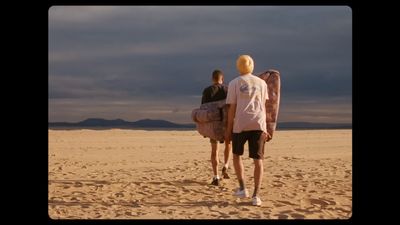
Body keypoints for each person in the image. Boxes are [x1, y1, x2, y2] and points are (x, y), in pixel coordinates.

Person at [225, 55, 271, 206]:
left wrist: (228, 129)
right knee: (258, 160)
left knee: (237, 156)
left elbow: (232, 108)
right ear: (252, 66)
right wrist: (267, 127)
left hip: (240, 124)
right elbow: (264, 107)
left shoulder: (234, 83)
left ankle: (243, 188)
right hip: (258, 124)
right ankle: (256, 195)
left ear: (239, 66)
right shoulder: (262, 83)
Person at [201, 69, 232, 186]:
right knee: (228, 144)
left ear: (212, 79)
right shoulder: (228, 89)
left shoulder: (207, 91)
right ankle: (226, 166)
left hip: (213, 125)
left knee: (214, 151)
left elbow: (203, 108)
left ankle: (216, 177)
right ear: (222, 79)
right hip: (226, 123)